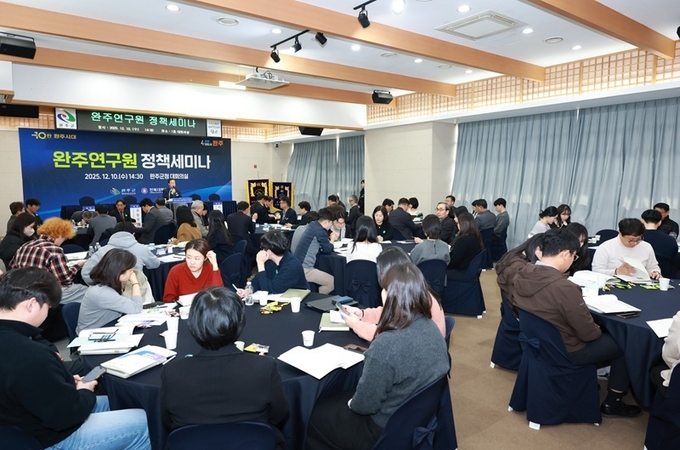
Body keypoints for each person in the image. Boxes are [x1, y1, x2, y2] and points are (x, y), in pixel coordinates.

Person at [0, 267, 151, 449]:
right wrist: (85, 390)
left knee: (122, 401)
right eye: (48, 307)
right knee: (145, 420)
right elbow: (66, 416)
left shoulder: (17, 344)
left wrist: (62, 382)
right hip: (47, 436)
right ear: (31, 304)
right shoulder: (30, 353)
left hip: (19, 426)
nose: (47, 314)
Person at [306, 263, 450, 450]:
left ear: (389, 295)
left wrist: (352, 402)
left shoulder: (386, 344)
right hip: (414, 419)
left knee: (312, 416)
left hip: (381, 429)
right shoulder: (431, 327)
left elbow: (365, 406)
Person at [512, 228, 642, 418]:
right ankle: (613, 402)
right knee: (627, 341)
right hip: (567, 349)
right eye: (574, 256)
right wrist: (600, 328)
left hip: (538, 343)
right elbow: (589, 334)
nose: (574, 260)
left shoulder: (521, 274)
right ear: (565, 254)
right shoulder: (564, 287)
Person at [160, 287, 289, 448]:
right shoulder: (264, 367)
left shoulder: (172, 373)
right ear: (239, 322)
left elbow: (167, 421)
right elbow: (279, 415)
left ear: (193, 323)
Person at [340, 246, 446, 341]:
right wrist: (363, 314)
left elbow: (388, 340)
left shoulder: (419, 300)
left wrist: (357, 325)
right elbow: (391, 312)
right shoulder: (413, 291)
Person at [10, 218, 87, 304]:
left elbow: (13, 268)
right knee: (88, 292)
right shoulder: (54, 249)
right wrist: (78, 266)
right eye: (64, 237)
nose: (64, 241)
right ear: (59, 234)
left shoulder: (24, 246)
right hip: (47, 293)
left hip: (24, 291)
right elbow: (65, 279)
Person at [77, 249, 143, 333]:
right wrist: (135, 283)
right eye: (130, 270)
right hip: (92, 334)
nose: (132, 273)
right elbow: (136, 308)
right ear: (119, 272)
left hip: (105, 328)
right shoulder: (103, 293)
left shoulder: (107, 284)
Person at [82, 222, 161, 284]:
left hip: (111, 292)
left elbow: (86, 273)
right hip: (136, 289)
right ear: (133, 233)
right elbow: (155, 264)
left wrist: (99, 287)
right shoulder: (142, 248)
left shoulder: (102, 250)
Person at [239, 231, 308, 295]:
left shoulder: (292, 266)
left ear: (269, 252)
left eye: (263, 248)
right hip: (281, 297)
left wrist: (260, 264)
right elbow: (258, 281)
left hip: (297, 298)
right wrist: (248, 290)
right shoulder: (270, 262)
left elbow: (269, 289)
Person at [592, 218, 661, 279]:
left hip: (641, 283)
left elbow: (653, 267)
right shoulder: (606, 247)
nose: (635, 243)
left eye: (638, 239)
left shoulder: (646, 246)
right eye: (631, 240)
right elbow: (596, 271)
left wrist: (655, 272)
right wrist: (616, 272)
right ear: (620, 233)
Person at [293, 207, 337, 294]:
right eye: (331, 223)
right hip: (305, 269)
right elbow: (327, 249)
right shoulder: (320, 231)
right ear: (327, 222)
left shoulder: (313, 225)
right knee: (332, 282)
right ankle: (316, 298)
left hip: (297, 265)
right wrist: (332, 239)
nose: (330, 226)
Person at [495, 234, 544, 310]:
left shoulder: (515, 255)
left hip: (510, 307)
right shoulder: (518, 268)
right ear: (538, 250)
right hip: (516, 309)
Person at [641, 209, 677, 277]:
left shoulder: (636, 239)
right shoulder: (670, 240)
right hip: (664, 277)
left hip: (640, 275)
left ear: (642, 221)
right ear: (660, 222)